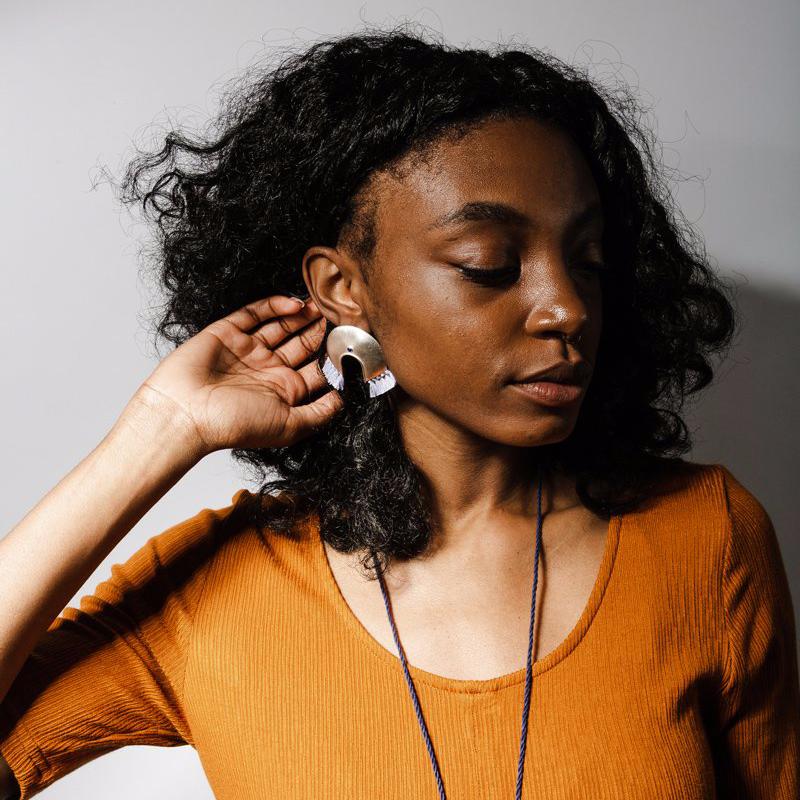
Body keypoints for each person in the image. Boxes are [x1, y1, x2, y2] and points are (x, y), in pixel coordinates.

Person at [0, 24, 798, 800]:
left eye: (586, 262)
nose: (566, 308)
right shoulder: (214, 590)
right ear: (344, 289)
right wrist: (161, 432)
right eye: (491, 264)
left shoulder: (706, 538)